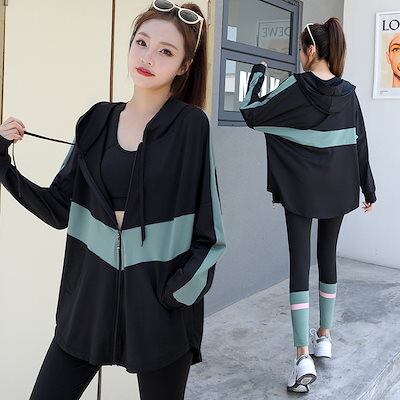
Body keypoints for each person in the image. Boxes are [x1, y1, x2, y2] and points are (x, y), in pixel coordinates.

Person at [0, 1, 226, 399]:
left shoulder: (191, 127)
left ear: (184, 66)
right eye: (142, 42)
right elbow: (58, 208)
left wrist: (176, 294)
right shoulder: (96, 121)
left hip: (159, 314)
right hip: (88, 304)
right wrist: (3, 163)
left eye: (166, 51)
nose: (148, 57)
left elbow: (211, 234)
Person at [239, 17, 376, 393]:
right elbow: (360, 140)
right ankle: (324, 336)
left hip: (300, 188)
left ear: (311, 50)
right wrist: (368, 188)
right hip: (339, 187)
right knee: (327, 256)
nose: (301, 56)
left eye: (302, 50)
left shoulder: (295, 86)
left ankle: (302, 357)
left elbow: (252, 113)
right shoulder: (348, 92)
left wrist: (258, 72)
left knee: (300, 263)